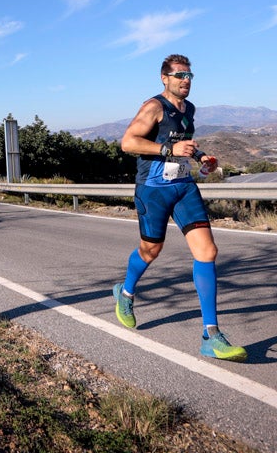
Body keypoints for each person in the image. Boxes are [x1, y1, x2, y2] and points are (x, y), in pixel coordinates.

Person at [114, 54, 247, 362]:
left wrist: (200, 156)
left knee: (207, 252)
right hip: (154, 191)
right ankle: (125, 292)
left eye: (189, 76)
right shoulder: (154, 107)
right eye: (179, 76)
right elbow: (128, 142)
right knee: (150, 251)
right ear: (165, 78)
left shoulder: (189, 109)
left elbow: (184, 141)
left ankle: (210, 335)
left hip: (184, 186)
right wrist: (167, 149)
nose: (185, 80)